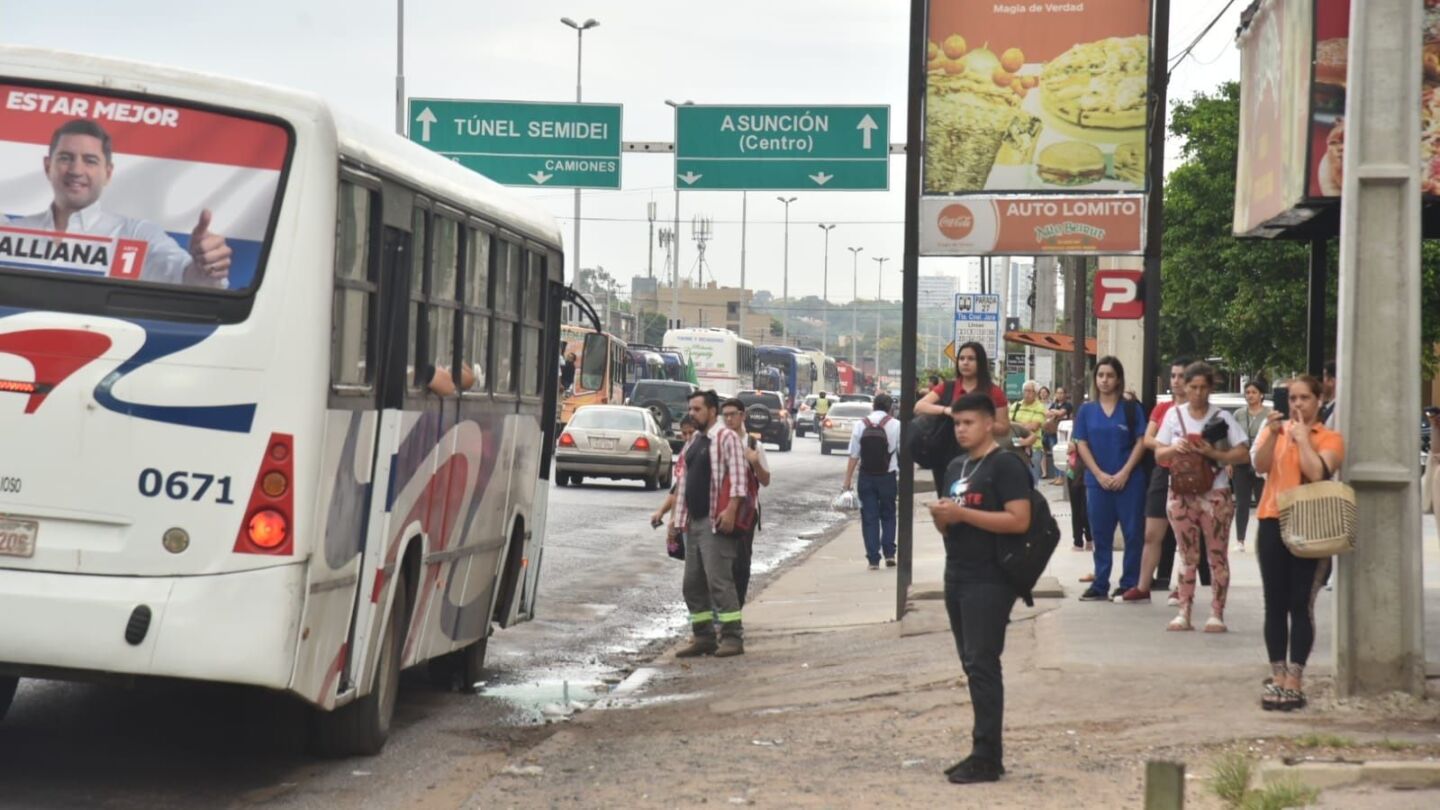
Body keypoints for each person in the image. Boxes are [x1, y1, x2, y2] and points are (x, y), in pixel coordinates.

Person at [927, 393, 1032, 785]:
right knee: (971, 663)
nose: (960, 429)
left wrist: (961, 513)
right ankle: (982, 751)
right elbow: (950, 524)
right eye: (957, 423)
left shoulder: (1005, 465)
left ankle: (987, 755)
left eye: (968, 422)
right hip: (957, 571)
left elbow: (1019, 520)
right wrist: (944, 518)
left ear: (989, 423)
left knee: (983, 662)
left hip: (991, 577)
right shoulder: (957, 465)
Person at [14, 119, 232, 288]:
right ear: (47, 166)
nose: (76, 170)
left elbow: (181, 275)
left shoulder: (136, 235)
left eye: (90, 161)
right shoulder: (11, 233)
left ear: (108, 173)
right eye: (65, 158)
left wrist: (205, 271)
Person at [1252, 376, 1344, 711]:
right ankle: (1277, 674)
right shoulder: (1276, 431)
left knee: (1300, 601)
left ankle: (1295, 677)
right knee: (1273, 601)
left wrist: (1304, 439)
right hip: (1272, 519)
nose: (1298, 405)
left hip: (1312, 524)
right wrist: (1273, 435)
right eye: (1293, 398)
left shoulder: (1330, 437)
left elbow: (1318, 472)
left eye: (1305, 398)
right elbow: (1259, 466)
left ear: (1319, 400)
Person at [1155, 362, 1251, 632]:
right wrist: (1176, 447)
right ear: (1185, 387)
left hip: (1215, 490)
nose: (1197, 393)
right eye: (1193, 387)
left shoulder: (1221, 417)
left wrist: (1215, 454)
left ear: (1210, 388)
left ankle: (1216, 612)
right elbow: (1158, 453)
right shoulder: (1174, 416)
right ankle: (1184, 610)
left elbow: (1243, 452)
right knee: (1187, 554)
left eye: (1202, 387)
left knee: (1217, 554)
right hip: (1182, 492)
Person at [669, 390, 750, 658]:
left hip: (717, 523)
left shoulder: (725, 438)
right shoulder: (694, 441)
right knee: (692, 584)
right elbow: (682, 484)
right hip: (694, 523)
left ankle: (732, 638)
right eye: (690, 409)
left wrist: (731, 510)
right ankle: (703, 636)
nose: (691, 414)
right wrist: (675, 522)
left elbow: (740, 480)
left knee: (719, 581)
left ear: (712, 411)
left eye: (697, 409)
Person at [1133, 358, 1210, 606]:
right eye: (1174, 376)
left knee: (1186, 535)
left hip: (1192, 474)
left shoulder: (1202, 411)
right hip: (1164, 471)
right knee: (1152, 532)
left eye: (1181, 376)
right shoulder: (1162, 409)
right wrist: (1170, 446)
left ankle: (1181, 586)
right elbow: (1148, 439)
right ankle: (1143, 586)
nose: (1176, 381)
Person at [1072, 357, 1149, 603]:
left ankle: (1129, 583)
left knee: (1133, 533)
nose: (1104, 380)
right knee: (1100, 534)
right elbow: (1081, 443)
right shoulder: (1086, 410)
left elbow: (1141, 442)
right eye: (1100, 375)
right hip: (1097, 482)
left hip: (1130, 481)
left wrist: (1125, 472)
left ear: (1118, 379)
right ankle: (1100, 583)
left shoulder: (1131, 408)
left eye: (1110, 375)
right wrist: (1098, 474)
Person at [914, 342, 1011, 496]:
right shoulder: (948, 387)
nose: (965, 362)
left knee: (977, 502)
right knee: (948, 501)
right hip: (946, 459)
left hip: (981, 459)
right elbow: (920, 406)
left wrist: (979, 423)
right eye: (962, 358)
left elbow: (1004, 428)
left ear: (980, 362)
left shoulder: (994, 392)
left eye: (971, 359)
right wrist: (947, 410)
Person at [842, 392, 901, 570]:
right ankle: (889, 553)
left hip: (866, 477)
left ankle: (873, 559)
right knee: (889, 514)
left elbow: (854, 455)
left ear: (873, 406)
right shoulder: (897, 425)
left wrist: (847, 481)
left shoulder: (861, 424)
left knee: (869, 517)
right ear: (890, 408)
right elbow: (902, 452)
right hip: (888, 476)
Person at [721, 398, 771, 606]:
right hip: (720, 509)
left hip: (746, 514)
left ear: (742, 416)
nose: (729, 419)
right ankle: (723, 608)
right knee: (720, 562)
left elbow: (766, 480)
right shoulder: (718, 443)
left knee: (741, 563)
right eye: (725, 415)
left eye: (733, 414)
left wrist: (755, 462)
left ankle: (737, 605)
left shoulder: (753, 444)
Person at [1231, 380, 1273, 550]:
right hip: (1241, 462)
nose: (1250, 395)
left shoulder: (1269, 414)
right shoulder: (1239, 414)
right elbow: (1231, 437)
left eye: (1254, 392)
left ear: (1261, 394)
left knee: (1264, 501)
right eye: (1247, 392)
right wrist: (1229, 461)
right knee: (1242, 503)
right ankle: (1240, 540)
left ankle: (1263, 539)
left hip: (1261, 463)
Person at [650, 416, 699, 528]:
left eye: (691, 432)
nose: (688, 437)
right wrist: (662, 512)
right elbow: (677, 490)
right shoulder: (685, 452)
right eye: (684, 433)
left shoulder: (702, 452)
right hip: (681, 518)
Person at [1009, 381, 1049, 484]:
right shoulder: (1015, 406)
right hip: (1015, 446)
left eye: (1029, 391)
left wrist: (1016, 424)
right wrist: (1024, 425)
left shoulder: (1039, 407)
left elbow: (1034, 426)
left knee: (1031, 480)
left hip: (1033, 448)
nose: (1026, 393)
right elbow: (1007, 423)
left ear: (1035, 393)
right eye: (1025, 391)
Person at [1045, 387, 1075, 485]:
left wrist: (1055, 412)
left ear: (1065, 394)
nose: (1060, 395)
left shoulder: (1068, 405)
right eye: (1058, 393)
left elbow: (1061, 412)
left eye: (1062, 393)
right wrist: (1055, 412)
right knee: (1055, 453)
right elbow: (1047, 413)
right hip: (1053, 431)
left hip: (1063, 432)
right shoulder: (1054, 404)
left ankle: (1062, 476)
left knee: (1062, 453)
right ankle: (1057, 476)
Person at [1318, 361, 1337, 427]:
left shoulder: (1336, 411)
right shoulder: (1326, 408)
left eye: (1324, 377)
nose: (1322, 383)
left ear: (1332, 381)